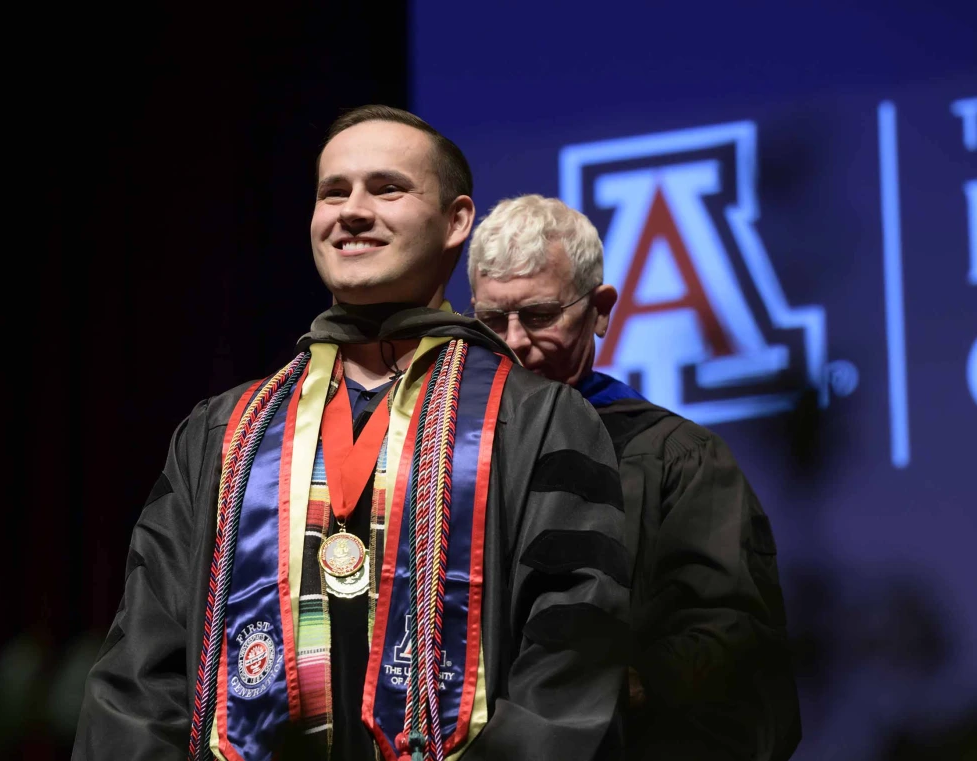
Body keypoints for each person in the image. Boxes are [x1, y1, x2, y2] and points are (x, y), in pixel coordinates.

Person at [74, 111, 629, 761]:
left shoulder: (540, 422)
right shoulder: (225, 433)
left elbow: (569, 670)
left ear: (456, 221)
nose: (353, 212)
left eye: (387, 188)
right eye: (333, 192)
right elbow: (140, 674)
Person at [467, 194, 801, 761]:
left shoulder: (677, 459)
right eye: (492, 321)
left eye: (540, 316)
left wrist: (607, 690)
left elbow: (734, 650)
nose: (515, 342)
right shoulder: (447, 459)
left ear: (600, 309)